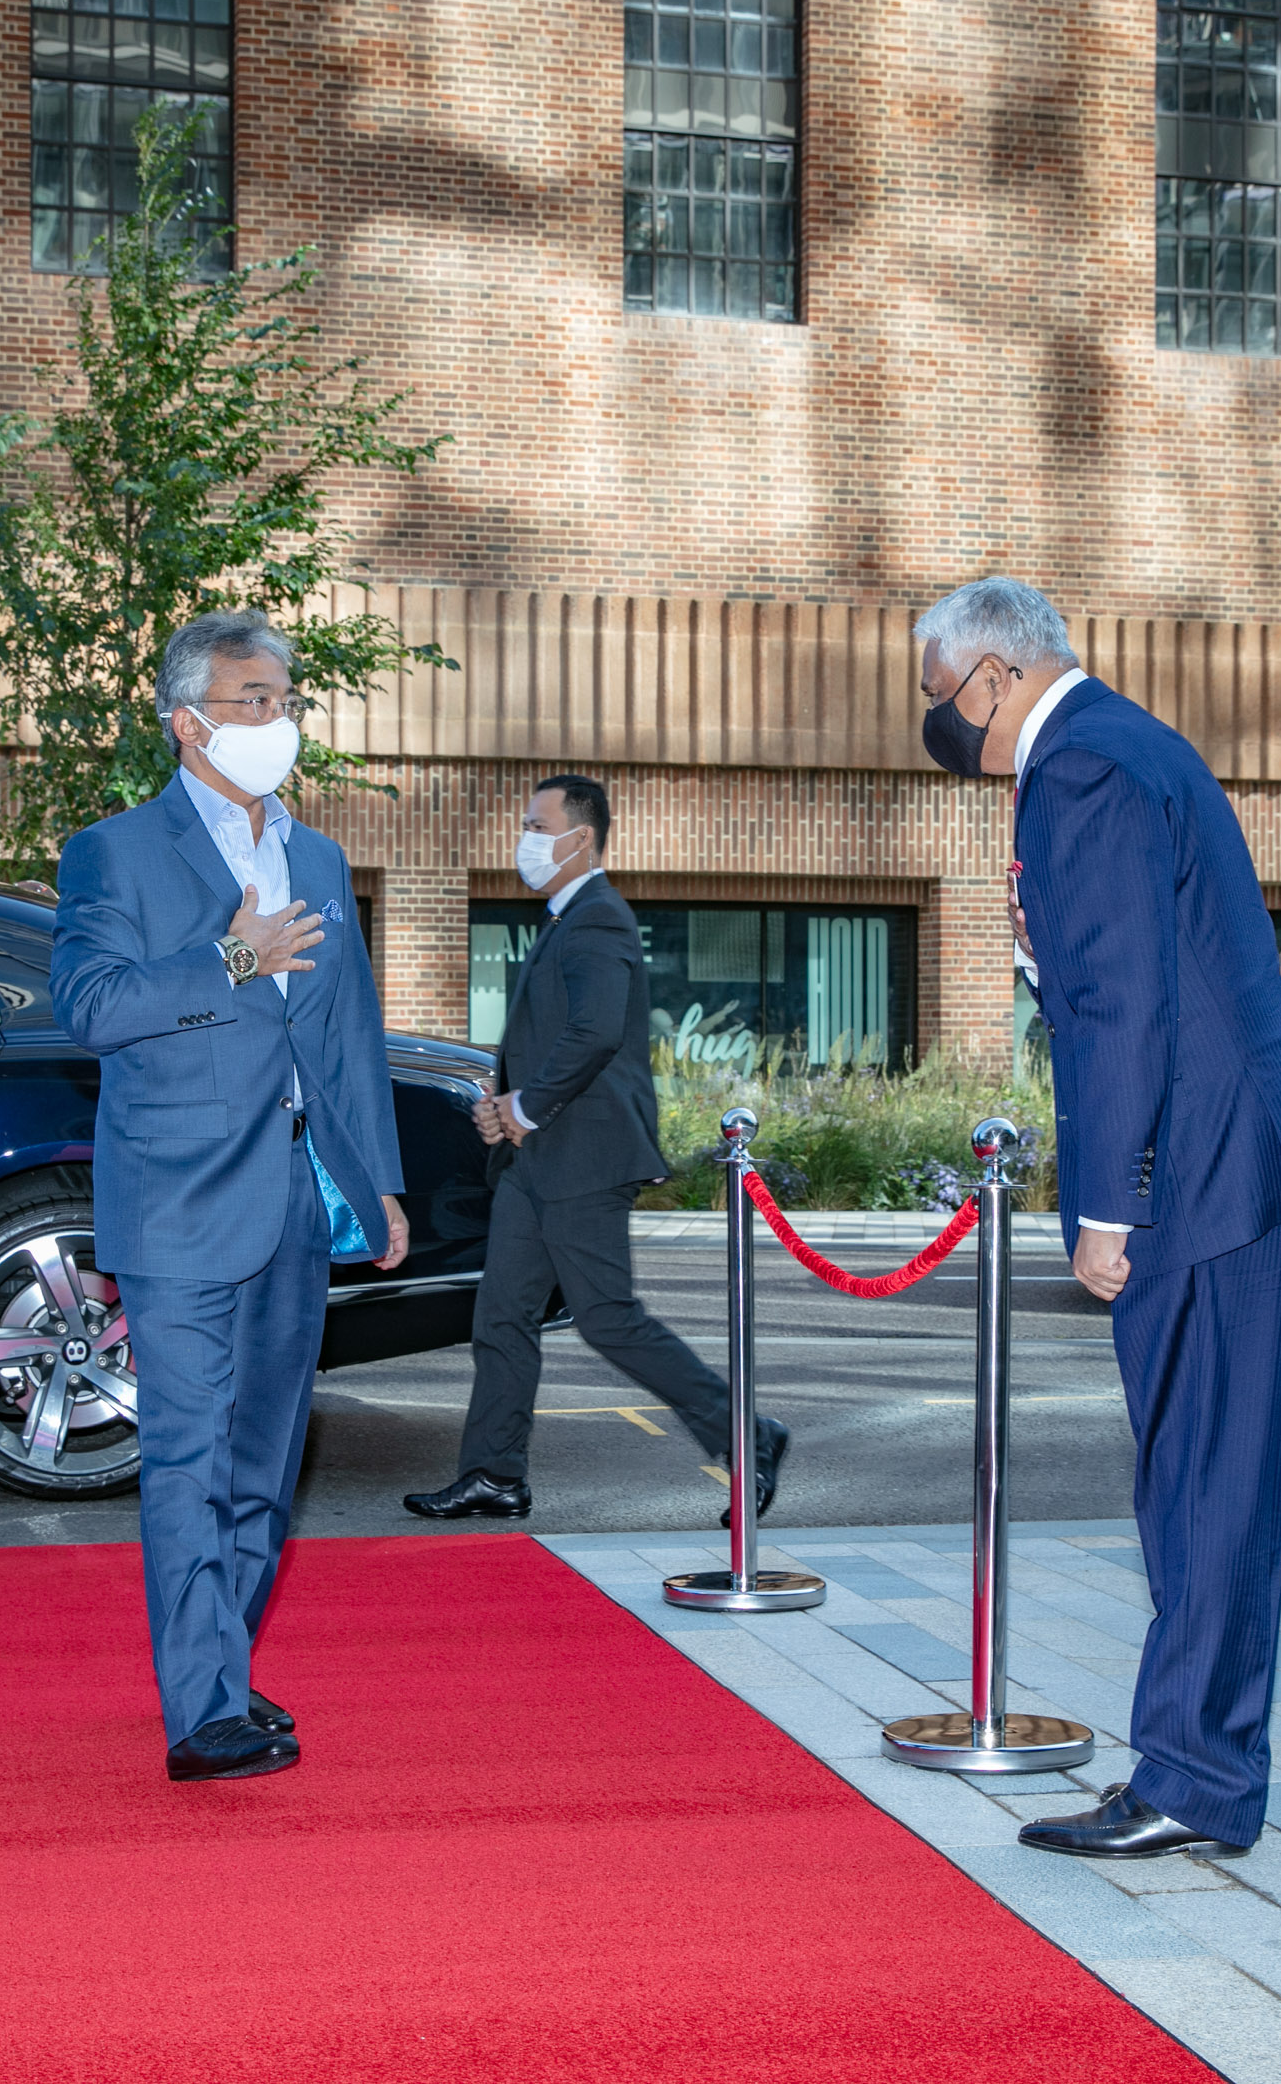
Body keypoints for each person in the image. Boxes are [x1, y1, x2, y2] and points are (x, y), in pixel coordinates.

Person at [908, 576, 1281, 1863]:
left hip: (1205, 1182)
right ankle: (1199, 1771)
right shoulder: (1130, 746)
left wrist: (1107, 1204)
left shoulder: (1084, 770)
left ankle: (1194, 1782)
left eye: (940, 698)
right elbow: (1136, 968)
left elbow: (1126, 1014)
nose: (940, 724)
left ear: (995, 676)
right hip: (1238, 1163)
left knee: (1202, 1488)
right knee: (1207, 1484)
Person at [51, 610, 409, 1783]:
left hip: (300, 1204)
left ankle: (222, 1666)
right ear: (188, 719)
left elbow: (349, 1035)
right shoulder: (116, 851)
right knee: (189, 1458)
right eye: (254, 700)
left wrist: (382, 1183)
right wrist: (231, 957)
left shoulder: (318, 859)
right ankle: (200, 1709)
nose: (280, 719)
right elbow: (92, 1008)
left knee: (266, 1461)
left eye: (285, 698)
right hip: (180, 1205)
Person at [404, 775, 781, 1523]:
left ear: (580, 838)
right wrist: (505, 1110)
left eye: (537, 825)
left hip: (583, 1160)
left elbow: (597, 1031)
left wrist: (527, 1106)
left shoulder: (599, 919)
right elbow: (555, 1039)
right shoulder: (563, 921)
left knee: (609, 1318)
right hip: (534, 1165)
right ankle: (493, 1474)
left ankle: (748, 1436)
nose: (526, 839)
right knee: (502, 1317)